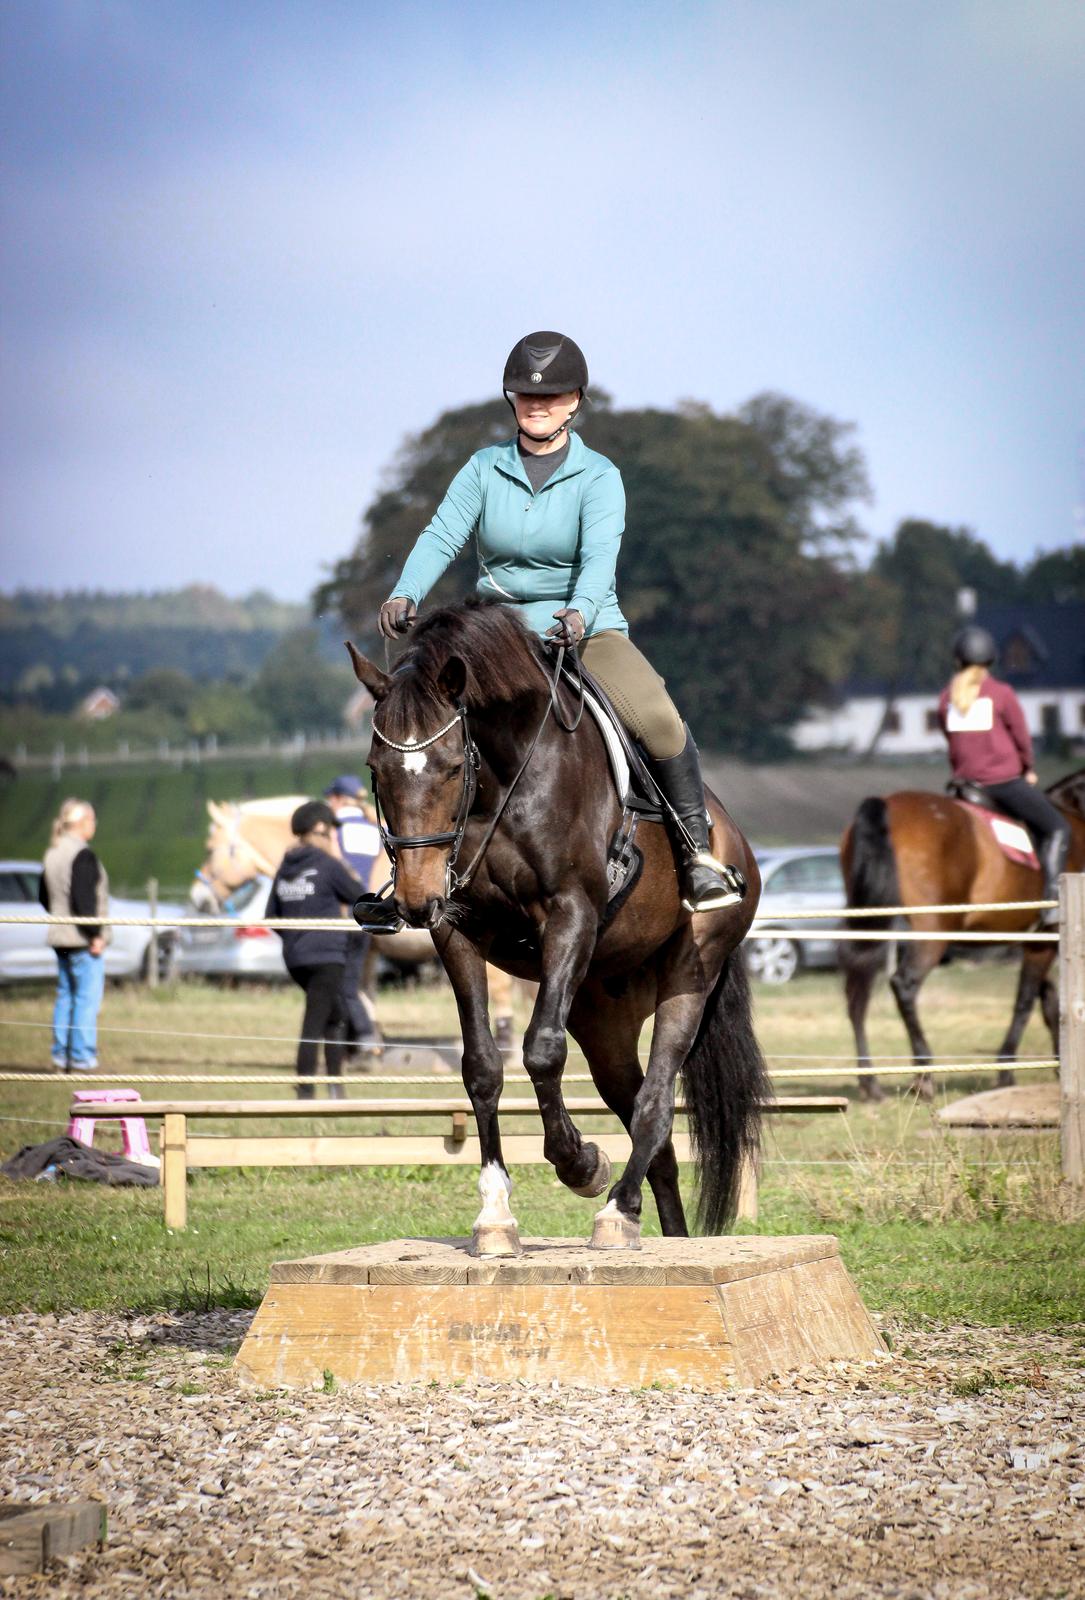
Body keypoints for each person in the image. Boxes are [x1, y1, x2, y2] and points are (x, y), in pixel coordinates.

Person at [377, 330, 746, 913]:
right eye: (525, 395)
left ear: (576, 400)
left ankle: (696, 852)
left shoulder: (600, 476)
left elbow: (600, 559)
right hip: (495, 636)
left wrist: (580, 613)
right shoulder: (482, 468)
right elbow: (443, 534)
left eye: (552, 396)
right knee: (410, 720)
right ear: (511, 401)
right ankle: (402, 872)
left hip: (584, 628)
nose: (538, 404)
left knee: (658, 717)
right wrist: (405, 591)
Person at [938, 625, 1070, 927]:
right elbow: (1021, 737)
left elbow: (949, 737)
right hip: (1003, 784)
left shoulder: (947, 698)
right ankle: (1051, 903)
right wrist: (1028, 768)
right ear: (990, 661)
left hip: (964, 786)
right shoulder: (1001, 693)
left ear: (957, 661)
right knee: (1059, 828)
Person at [266, 801, 361, 1099]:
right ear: (319, 831)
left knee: (335, 1014)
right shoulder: (328, 865)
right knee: (316, 1020)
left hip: (295, 959)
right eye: (330, 832)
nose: (332, 838)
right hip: (326, 956)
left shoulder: (284, 868)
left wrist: (296, 939)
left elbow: (270, 918)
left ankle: (336, 1086)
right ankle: (305, 1091)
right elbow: (359, 897)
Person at [40, 798, 109, 1073]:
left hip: (60, 936)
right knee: (86, 998)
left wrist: (59, 916)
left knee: (66, 995)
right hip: (82, 940)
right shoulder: (82, 855)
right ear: (81, 824)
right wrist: (95, 934)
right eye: (92, 820)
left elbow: (43, 896)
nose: (94, 825)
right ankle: (81, 1056)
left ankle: (61, 1055)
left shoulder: (53, 852)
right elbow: (84, 900)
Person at [323, 776, 383, 1059]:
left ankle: (364, 1036)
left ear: (337, 799)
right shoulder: (375, 831)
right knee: (353, 982)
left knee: (344, 985)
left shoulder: (334, 833)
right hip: (368, 914)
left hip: (343, 916)